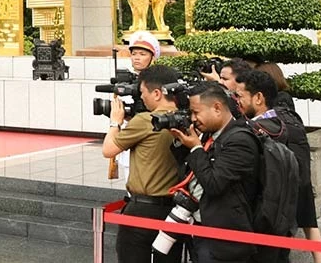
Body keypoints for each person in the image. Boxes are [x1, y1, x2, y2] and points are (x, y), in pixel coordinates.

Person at [103, 64, 187, 263]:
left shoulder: (145, 120)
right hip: (174, 210)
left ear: (157, 93)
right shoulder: (185, 119)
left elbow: (108, 150)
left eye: (143, 93)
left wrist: (115, 122)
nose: (141, 98)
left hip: (142, 210)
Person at [169, 83, 262, 263]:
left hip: (223, 238)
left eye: (196, 112)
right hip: (200, 227)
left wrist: (196, 148)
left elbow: (214, 184)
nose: (193, 119)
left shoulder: (240, 140)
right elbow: (189, 167)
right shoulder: (210, 134)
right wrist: (181, 140)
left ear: (217, 108)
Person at [236, 68, 310, 263]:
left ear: (258, 98)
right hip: (280, 221)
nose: (236, 101)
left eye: (240, 96)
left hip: (260, 224)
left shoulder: (251, 133)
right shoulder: (282, 124)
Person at [114, 31, 161, 181]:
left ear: (152, 57)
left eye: (142, 54)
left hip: (152, 139)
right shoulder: (124, 81)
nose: (137, 57)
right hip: (128, 137)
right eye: (134, 54)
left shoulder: (158, 82)